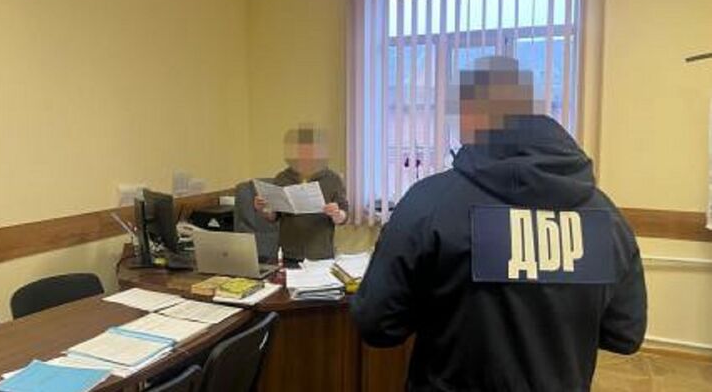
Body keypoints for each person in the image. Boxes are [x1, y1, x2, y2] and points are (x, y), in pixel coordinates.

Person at [350, 56, 647, 391]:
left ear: (471, 112)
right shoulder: (606, 217)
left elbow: (378, 324)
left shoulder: (430, 202)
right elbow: (623, 334)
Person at [254, 126, 348, 264]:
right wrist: (263, 209)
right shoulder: (283, 178)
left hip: (320, 254)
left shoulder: (332, 179)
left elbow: (344, 216)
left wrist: (337, 213)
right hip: (290, 253)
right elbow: (273, 216)